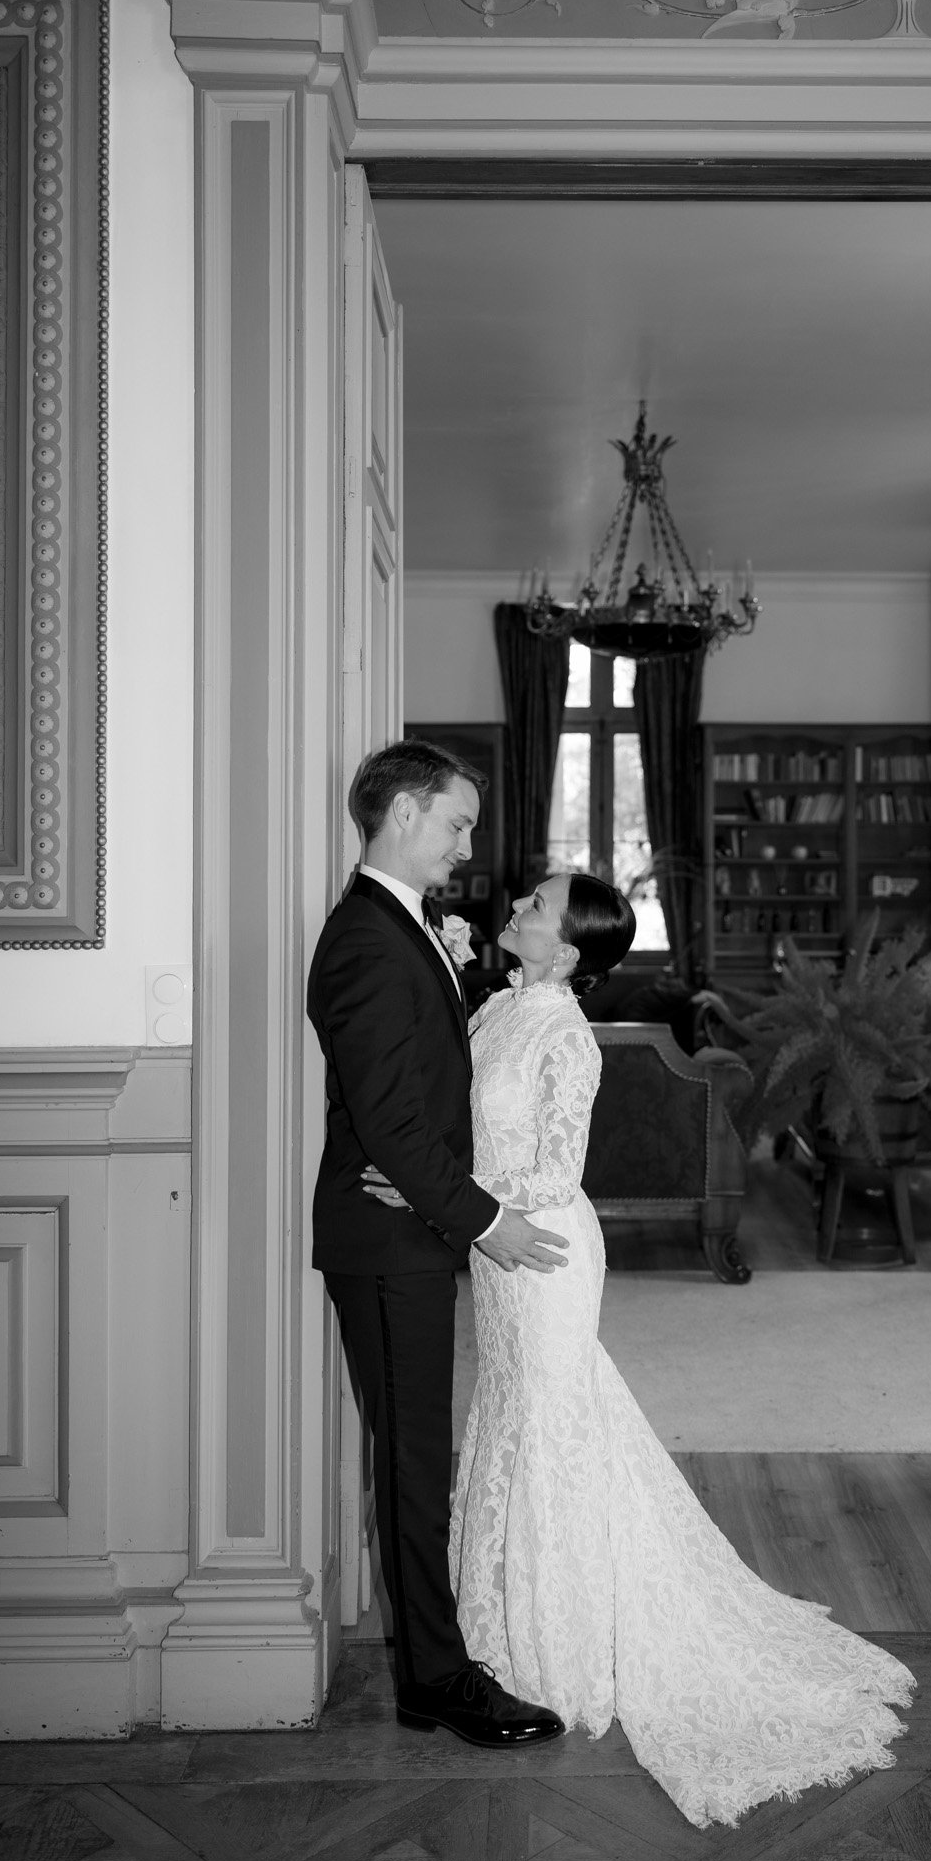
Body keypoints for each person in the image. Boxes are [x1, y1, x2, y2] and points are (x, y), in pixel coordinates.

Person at [365, 870, 916, 1828]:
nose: (518, 908)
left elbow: (549, 1170)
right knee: (523, 1417)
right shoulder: (499, 1003)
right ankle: (504, 1623)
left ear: (568, 950)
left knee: (548, 1423)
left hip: (540, 1249)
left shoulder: (567, 1037)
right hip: (500, 1248)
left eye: (535, 906)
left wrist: (430, 1191)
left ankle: (558, 1643)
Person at [307, 736, 571, 1749]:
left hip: (405, 1225)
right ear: (406, 810)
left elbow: (415, 1095)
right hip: (387, 1238)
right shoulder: (370, 936)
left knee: (421, 1454)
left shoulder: (397, 925)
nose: (465, 843)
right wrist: (487, 1221)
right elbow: (388, 1117)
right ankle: (436, 1679)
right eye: (457, 820)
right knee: (416, 1462)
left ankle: (432, 1665)